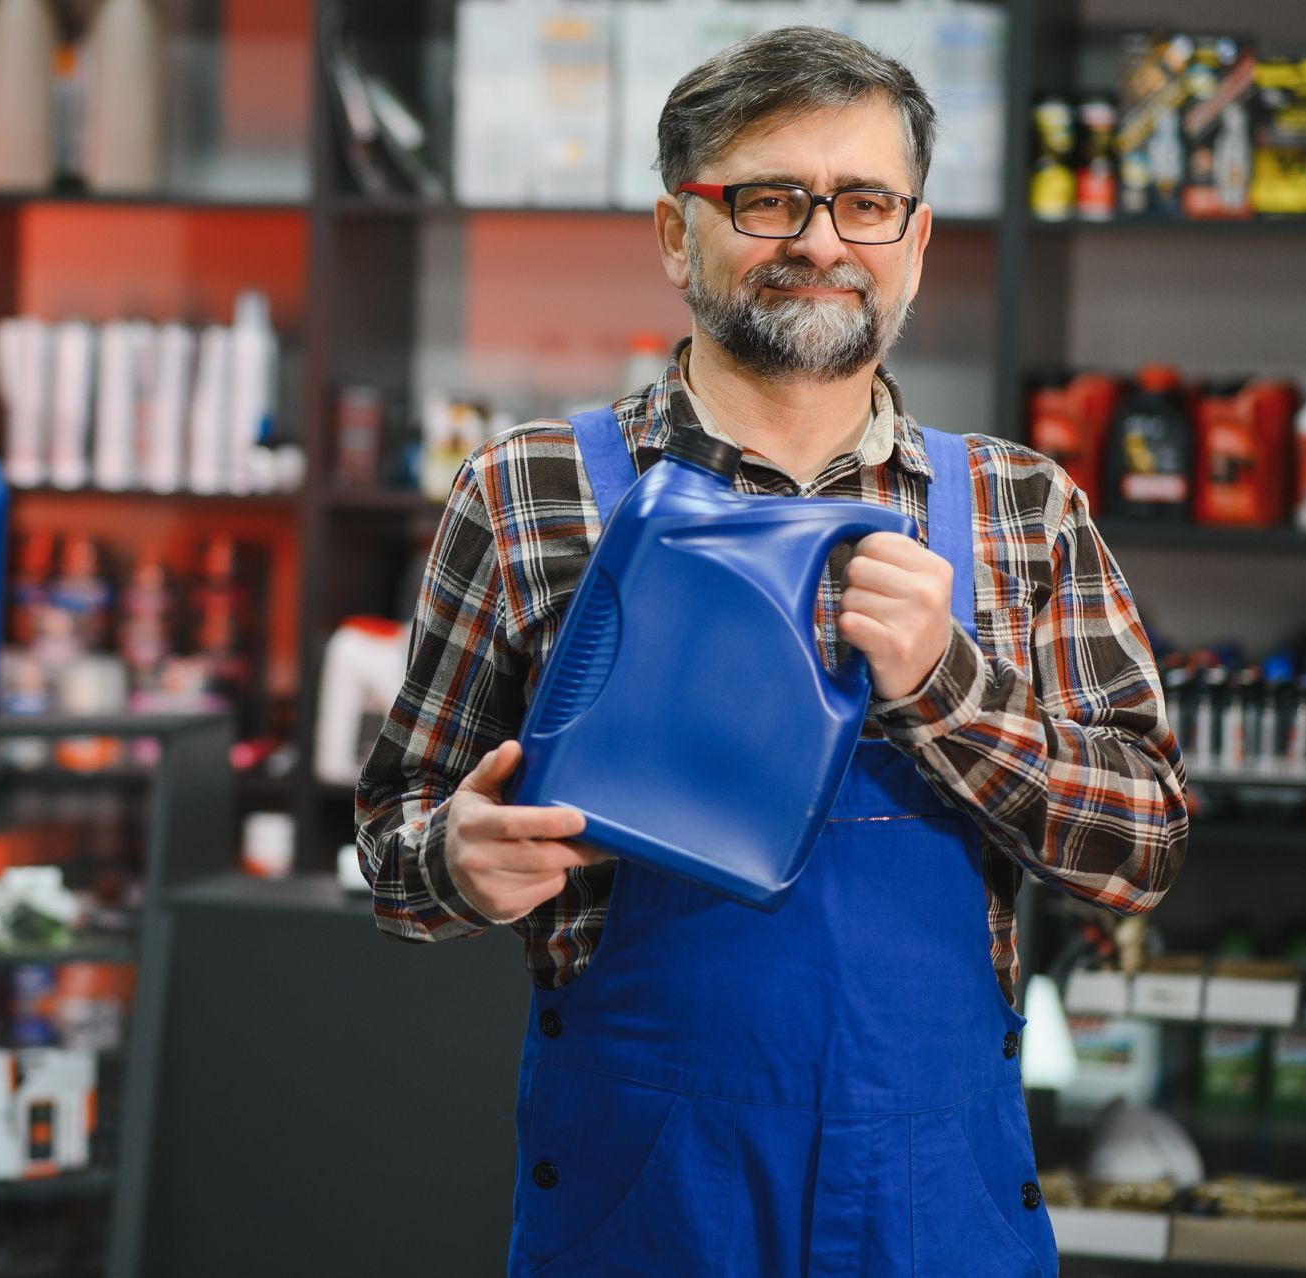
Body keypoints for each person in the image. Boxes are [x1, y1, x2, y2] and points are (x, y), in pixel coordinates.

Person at [355, 25, 1188, 1278]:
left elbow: (1145, 850)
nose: (820, 241)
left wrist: (947, 688)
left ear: (914, 244)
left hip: (934, 1207)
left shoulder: (1023, 508)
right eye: (767, 198)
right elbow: (393, 845)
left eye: (864, 203)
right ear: (673, 231)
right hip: (644, 1207)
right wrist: (452, 863)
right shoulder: (526, 493)